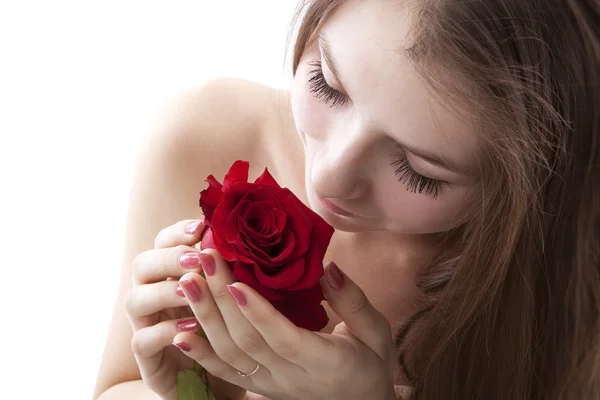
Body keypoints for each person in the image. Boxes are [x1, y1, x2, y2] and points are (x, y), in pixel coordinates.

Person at [93, 0, 600, 399]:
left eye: (417, 170)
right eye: (327, 85)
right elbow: (117, 389)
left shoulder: (565, 283)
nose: (330, 178)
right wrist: (200, 393)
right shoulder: (206, 135)